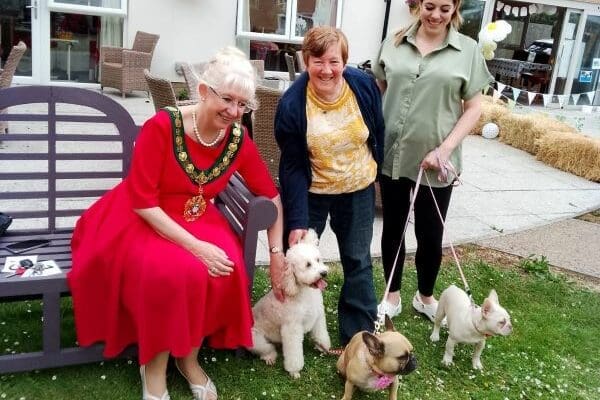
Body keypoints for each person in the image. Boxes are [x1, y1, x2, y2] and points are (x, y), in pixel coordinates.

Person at [68, 47, 285, 400]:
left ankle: (188, 358)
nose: (234, 112)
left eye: (243, 105)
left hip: (197, 216)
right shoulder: (162, 127)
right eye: (227, 99)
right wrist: (197, 247)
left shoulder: (236, 139)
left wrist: (276, 251)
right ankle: (153, 368)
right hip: (141, 216)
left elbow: (270, 195)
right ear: (203, 92)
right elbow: (142, 202)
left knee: (223, 268)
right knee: (172, 274)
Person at [372, 0, 493, 321]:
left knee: (430, 234)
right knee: (393, 229)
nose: (436, 15)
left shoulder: (467, 51)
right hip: (394, 156)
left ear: (455, 8)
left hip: (439, 162)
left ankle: (425, 296)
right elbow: (379, 92)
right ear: (417, 6)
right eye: (429, 6)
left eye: (444, 7)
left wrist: (445, 149)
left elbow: (474, 108)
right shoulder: (393, 43)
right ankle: (392, 296)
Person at [275, 26, 385, 347]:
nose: (327, 70)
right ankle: (292, 325)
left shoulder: (363, 86)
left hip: (358, 189)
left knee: (358, 261)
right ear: (306, 60)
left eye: (334, 61)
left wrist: (380, 171)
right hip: (314, 193)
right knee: (299, 261)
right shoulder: (293, 106)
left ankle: (358, 340)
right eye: (318, 61)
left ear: (344, 61)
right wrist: (296, 220)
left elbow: (377, 130)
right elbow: (293, 166)